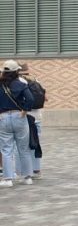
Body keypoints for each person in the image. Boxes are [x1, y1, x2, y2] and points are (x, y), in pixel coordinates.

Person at [0, 60, 35, 188]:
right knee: (23, 148)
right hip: (19, 116)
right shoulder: (20, 84)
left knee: (6, 149)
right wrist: (25, 110)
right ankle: (27, 178)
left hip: (3, 117)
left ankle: (8, 179)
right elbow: (31, 99)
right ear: (16, 71)